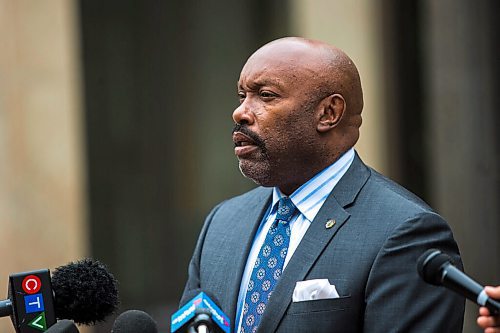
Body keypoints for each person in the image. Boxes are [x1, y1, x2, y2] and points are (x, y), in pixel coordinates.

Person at [180, 37, 465, 332]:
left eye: (265, 95)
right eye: (242, 96)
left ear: (328, 113)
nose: (240, 112)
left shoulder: (405, 232)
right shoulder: (222, 224)